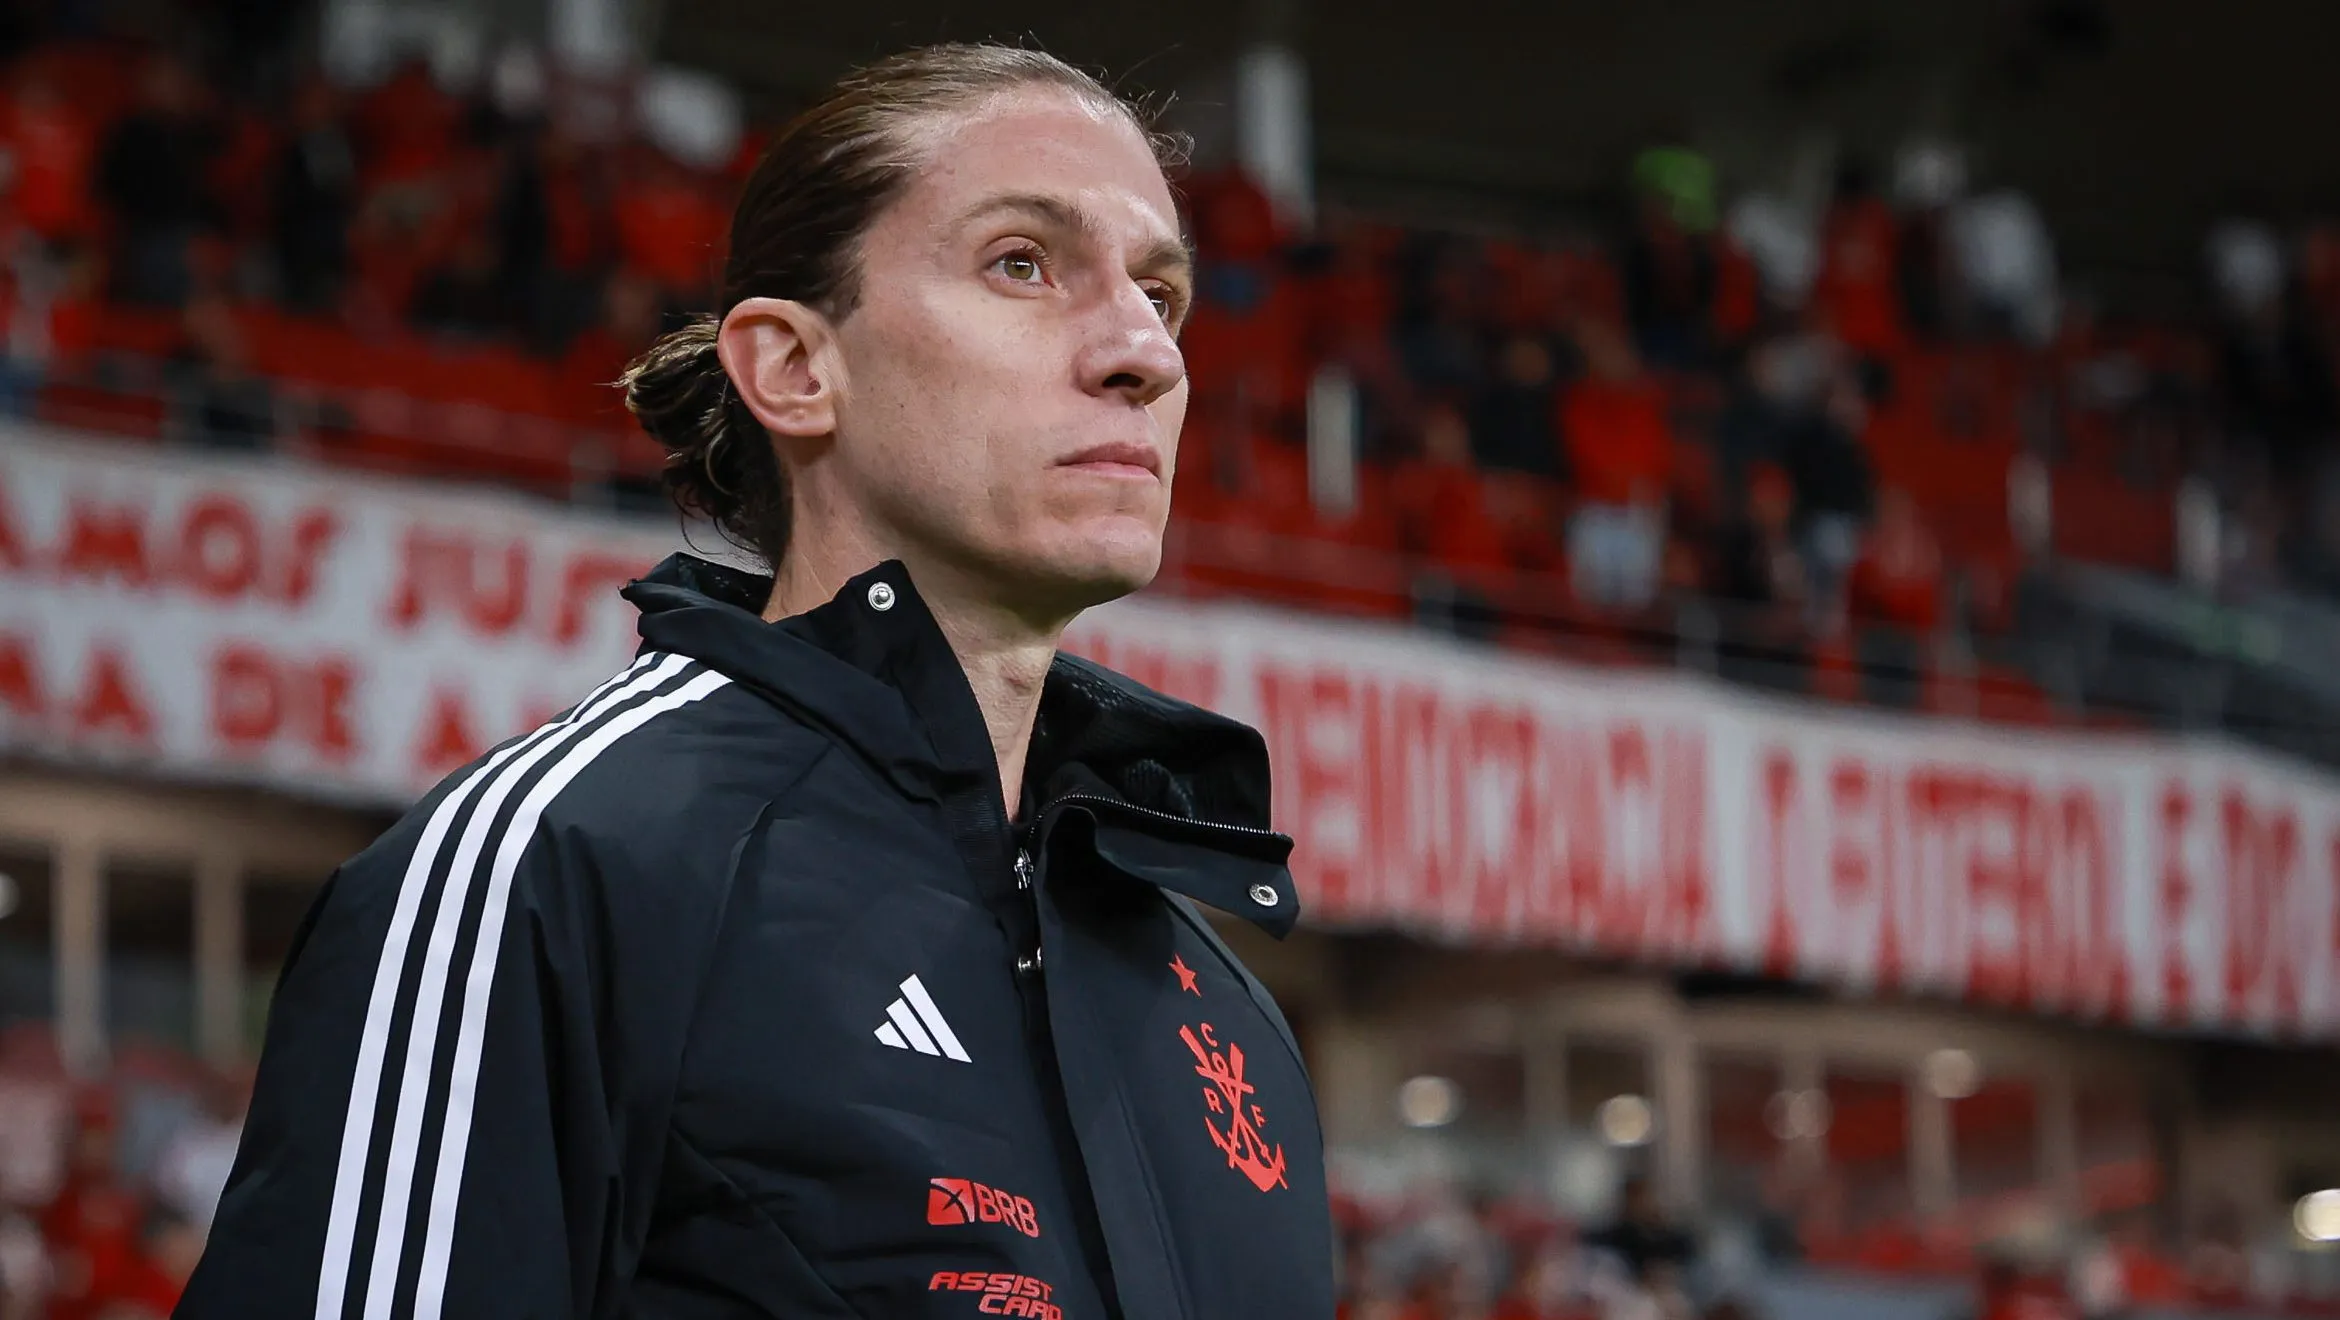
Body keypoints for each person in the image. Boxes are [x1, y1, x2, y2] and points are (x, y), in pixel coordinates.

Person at [178, 43, 1334, 1319]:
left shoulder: (1229, 1020)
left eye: (1161, 294)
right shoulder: (555, 869)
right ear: (792, 368)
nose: (1144, 352)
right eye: (1023, 262)